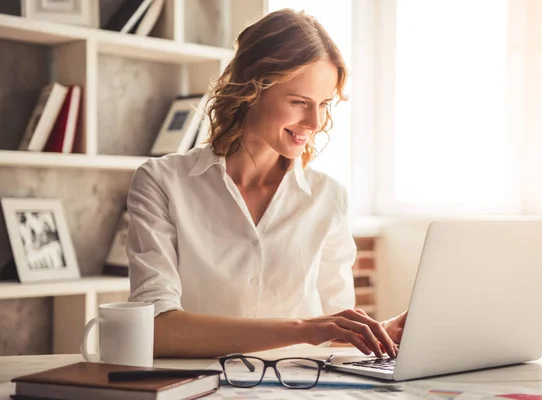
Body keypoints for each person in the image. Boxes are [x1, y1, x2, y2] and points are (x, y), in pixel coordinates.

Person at [126, 8, 407, 359]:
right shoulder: (161, 183)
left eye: (323, 104)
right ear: (251, 89)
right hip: (200, 389)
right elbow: (155, 329)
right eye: (299, 102)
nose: (316, 121)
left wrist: (379, 335)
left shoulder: (328, 197)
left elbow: (334, 333)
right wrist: (304, 329)